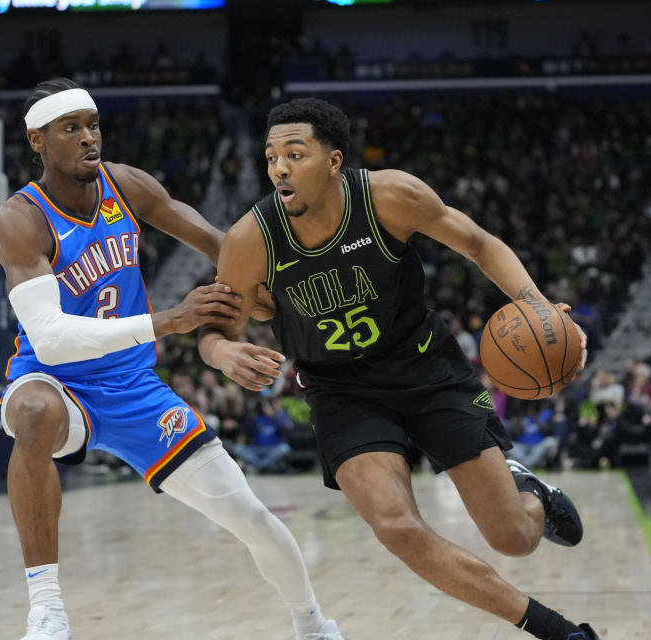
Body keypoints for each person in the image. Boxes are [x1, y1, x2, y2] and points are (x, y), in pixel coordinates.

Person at [199, 98, 601, 640]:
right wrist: (222, 351)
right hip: (340, 390)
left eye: (295, 154)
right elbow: (214, 328)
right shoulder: (253, 239)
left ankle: (529, 492)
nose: (280, 168)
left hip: (426, 366)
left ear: (335, 161)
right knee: (396, 526)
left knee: (514, 537)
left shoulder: (390, 196)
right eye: (271, 156)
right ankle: (556, 630)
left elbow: (480, 245)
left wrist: (540, 307)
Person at [0, 79, 342, 640]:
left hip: (134, 387)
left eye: (93, 125)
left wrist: (269, 292)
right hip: (54, 382)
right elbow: (53, 339)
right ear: (37, 140)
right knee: (34, 412)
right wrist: (170, 321)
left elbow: (216, 242)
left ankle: (313, 624)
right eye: (71, 128)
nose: (89, 138)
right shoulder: (21, 218)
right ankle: (47, 609)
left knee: (250, 516)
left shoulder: (124, 184)